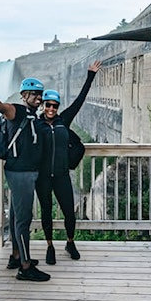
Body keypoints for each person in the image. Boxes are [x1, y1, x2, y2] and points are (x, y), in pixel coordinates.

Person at [0, 70, 50, 282]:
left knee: (15, 216)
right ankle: (25, 267)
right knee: (24, 220)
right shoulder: (17, 111)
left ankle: (16, 256)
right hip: (20, 173)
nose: (38, 97)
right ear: (23, 95)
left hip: (25, 172)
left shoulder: (34, 115)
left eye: (39, 94)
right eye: (33, 94)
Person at [36, 60, 102, 265]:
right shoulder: (35, 124)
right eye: (48, 105)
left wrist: (90, 75)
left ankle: (70, 242)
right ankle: (49, 246)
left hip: (62, 175)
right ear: (43, 105)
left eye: (55, 106)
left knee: (68, 212)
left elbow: (80, 100)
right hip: (43, 177)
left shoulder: (63, 120)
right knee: (46, 211)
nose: (52, 109)